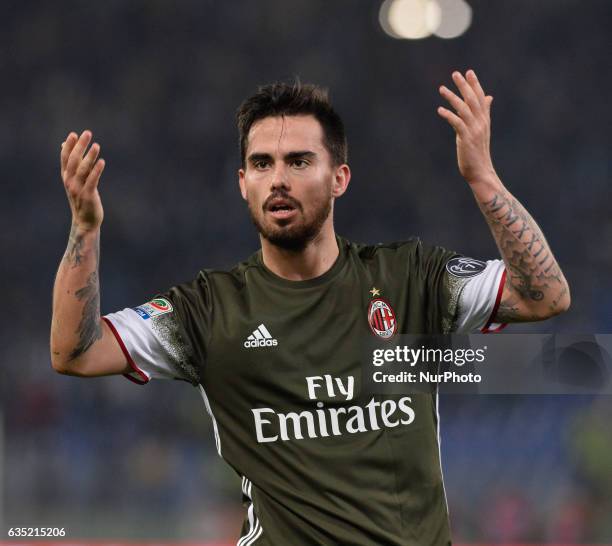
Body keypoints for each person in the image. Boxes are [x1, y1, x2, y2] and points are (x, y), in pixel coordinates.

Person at [51, 70, 570, 546]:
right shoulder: (207, 310)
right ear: (242, 184)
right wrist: (85, 228)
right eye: (262, 164)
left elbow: (546, 295)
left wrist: (482, 177)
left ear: (339, 178)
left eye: (299, 161)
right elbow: (76, 351)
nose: (278, 179)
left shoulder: (411, 278)